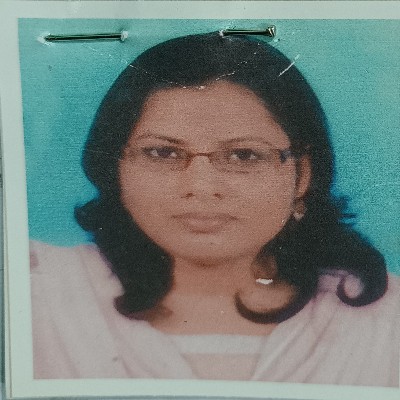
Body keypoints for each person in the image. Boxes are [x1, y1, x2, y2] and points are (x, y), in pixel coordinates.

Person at [31, 32, 400, 385]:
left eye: (244, 155)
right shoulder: (37, 292)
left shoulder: (386, 321)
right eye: (163, 152)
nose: (201, 187)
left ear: (302, 175)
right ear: (115, 167)